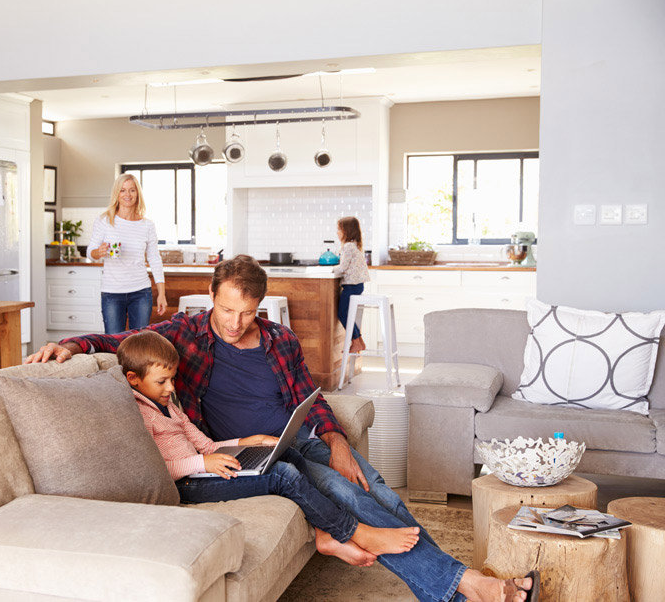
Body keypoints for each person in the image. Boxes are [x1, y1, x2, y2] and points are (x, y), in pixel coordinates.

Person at [27, 255, 539, 602]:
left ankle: (458, 585)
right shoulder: (185, 334)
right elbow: (122, 339)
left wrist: (336, 440)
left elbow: (307, 400)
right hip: (253, 454)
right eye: (227, 310)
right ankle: (472, 585)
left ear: (260, 308)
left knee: (376, 489)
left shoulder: (280, 340)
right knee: (354, 499)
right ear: (211, 296)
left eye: (246, 313)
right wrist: (71, 344)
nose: (234, 322)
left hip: (301, 442)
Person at [118, 330, 422, 567]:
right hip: (188, 485)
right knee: (282, 476)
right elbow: (156, 470)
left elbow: (207, 445)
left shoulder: (167, 403)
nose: (171, 388)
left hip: (204, 470)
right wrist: (201, 464)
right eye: (162, 381)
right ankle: (350, 532)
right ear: (133, 378)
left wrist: (247, 442)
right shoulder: (139, 413)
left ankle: (324, 534)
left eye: (172, 379)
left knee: (286, 451)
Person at [87, 173, 167, 333]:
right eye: (123, 190)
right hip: (112, 293)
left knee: (138, 346)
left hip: (141, 292)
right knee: (113, 345)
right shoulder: (104, 221)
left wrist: (161, 294)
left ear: (138, 193)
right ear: (117, 193)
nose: (127, 195)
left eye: (132, 190)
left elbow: (154, 259)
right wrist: (99, 252)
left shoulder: (147, 225)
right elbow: (90, 253)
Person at [334, 216, 370, 355]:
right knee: (346, 313)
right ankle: (359, 341)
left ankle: (355, 341)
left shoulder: (348, 246)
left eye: (339, 229)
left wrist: (329, 269)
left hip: (351, 286)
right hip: (356, 285)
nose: (337, 232)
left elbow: (343, 267)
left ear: (346, 231)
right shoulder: (354, 245)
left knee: (343, 314)